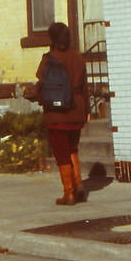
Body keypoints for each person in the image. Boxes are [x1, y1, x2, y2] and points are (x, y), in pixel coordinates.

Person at [36, 21, 89, 205]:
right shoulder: (78, 58)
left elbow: (40, 84)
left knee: (61, 153)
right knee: (73, 148)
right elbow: (85, 87)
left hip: (56, 114)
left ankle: (69, 193)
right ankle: (78, 184)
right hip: (76, 110)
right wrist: (86, 111)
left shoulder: (49, 58)